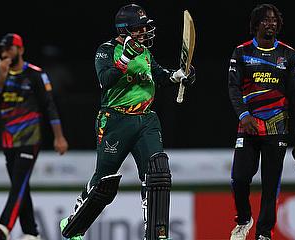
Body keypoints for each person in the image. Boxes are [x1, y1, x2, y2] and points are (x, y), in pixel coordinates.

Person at [59, 3, 195, 240]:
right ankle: (73, 225)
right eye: (140, 28)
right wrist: (124, 58)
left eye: (145, 28)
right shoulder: (106, 49)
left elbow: (159, 76)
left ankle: (155, 232)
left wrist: (178, 76)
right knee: (103, 182)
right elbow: (105, 80)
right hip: (115, 121)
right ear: (126, 30)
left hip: (146, 120)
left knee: (157, 172)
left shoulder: (144, 52)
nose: (145, 32)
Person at [228, 4, 295, 240]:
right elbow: (233, 89)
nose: (271, 23)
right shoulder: (241, 52)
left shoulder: (289, 55)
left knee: (270, 185)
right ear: (256, 24)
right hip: (248, 127)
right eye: (265, 20)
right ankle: (244, 219)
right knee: (240, 178)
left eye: (274, 20)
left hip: (277, 128)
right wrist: (244, 116)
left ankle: (264, 234)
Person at [0, 33, 69, 240]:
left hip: (30, 138)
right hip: (8, 140)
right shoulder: (1, 74)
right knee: (21, 184)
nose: (5, 53)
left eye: (9, 49)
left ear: (20, 50)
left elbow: (50, 106)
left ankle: (5, 224)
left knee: (18, 183)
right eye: (3, 50)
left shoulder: (35, 74)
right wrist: (2, 77)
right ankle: (31, 232)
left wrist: (59, 137)